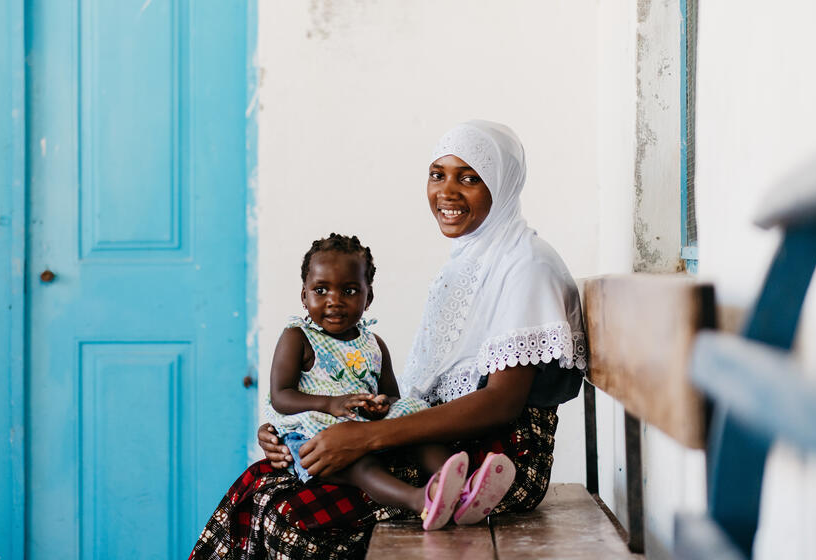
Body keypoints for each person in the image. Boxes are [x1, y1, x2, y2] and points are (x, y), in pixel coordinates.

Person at [190, 120, 587, 560]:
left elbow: (500, 405)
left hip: (502, 454)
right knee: (262, 480)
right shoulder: (470, 261)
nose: (447, 192)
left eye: (470, 177)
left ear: (503, 184)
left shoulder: (526, 266)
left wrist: (365, 439)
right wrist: (292, 433)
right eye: (438, 174)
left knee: (284, 510)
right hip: (451, 441)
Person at [265, 233, 515, 531]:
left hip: (362, 430)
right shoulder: (298, 338)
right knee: (363, 468)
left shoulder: (374, 345)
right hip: (314, 440)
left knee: (418, 428)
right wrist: (331, 404)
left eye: (349, 290)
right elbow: (281, 396)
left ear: (368, 298)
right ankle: (421, 499)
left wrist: (380, 406)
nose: (334, 301)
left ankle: (463, 490)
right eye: (321, 290)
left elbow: (392, 398)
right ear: (304, 296)